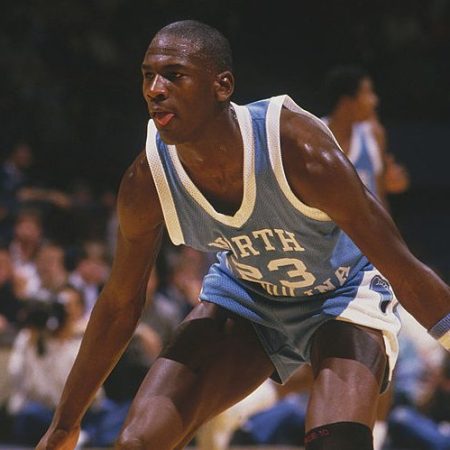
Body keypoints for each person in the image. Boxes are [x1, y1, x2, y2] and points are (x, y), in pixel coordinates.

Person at [37, 20, 450, 450]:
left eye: (174, 75)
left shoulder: (297, 148)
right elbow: (120, 303)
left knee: (337, 443)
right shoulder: (147, 179)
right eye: (147, 75)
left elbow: (402, 266)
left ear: (222, 85)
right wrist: (64, 424)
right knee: (137, 442)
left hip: (343, 294)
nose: (154, 89)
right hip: (249, 298)